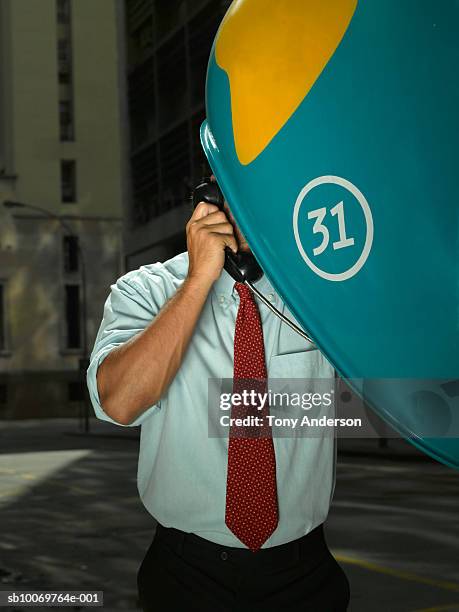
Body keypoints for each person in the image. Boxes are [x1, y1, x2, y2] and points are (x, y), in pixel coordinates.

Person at [86, 178, 350, 611]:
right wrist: (197, 281)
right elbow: (119, 402)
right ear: (210, 201)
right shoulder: (144, 289)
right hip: (186, 575)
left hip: (304, 574)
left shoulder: (321, 292)